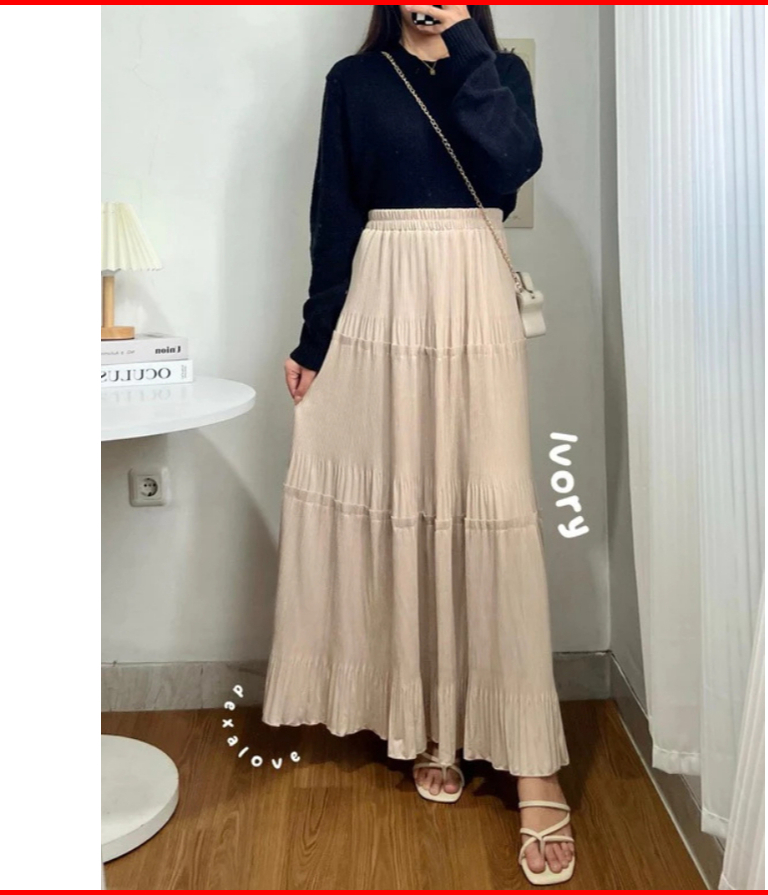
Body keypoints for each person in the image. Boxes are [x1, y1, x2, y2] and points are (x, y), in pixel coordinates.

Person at [262, 5, 575, 884]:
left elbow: (510, 168)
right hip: (382, 301)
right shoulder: (353, 81)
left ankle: (532, 762)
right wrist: (315, 339)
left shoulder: (498, 71)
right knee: (407, 501)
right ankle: (430, 723)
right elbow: (333, 213)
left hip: (473, 300)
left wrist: (467, 41)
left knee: (487, 506)